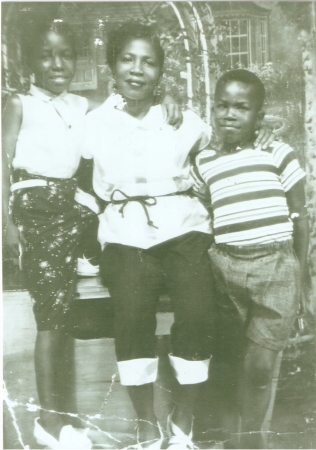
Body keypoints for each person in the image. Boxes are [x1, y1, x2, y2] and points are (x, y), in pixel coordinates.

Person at [83, 23, 275, 450]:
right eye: (128, 60)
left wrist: (262, 134)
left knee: (197, 311)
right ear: (112, 66)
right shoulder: (93, 123)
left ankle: (183, 419)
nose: (137, 70)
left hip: (184, 228)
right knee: (131, 315)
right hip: (124, 233)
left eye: (149, 62)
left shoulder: (182, 119)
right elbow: (77, 176)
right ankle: (148, 426)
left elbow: (228, 138)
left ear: (161, 72)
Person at [2, 19, 182, 450]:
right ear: (28, 62)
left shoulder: (84, 106)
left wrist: (167, 96)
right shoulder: (19, 104)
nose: (57, 63)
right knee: (52, 311)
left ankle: (100, 411)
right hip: (36, 206)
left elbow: (133, 97)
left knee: (128, 252)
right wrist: (6, 224)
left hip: (75, 204)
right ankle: (49, 421)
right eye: (46, 55)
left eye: (65, 54)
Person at [192, 69, 308, 449]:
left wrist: (302, 272)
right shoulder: (204, 161)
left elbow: (300, 214)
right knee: (227, 361)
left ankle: (254, 437)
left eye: (241, 108)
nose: (229, 114)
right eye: (221, 106)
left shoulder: (277, 151)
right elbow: (209, 211)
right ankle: (232, 439)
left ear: (259, 117)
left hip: (276, 268)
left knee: (259, 367)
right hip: (225, 268)